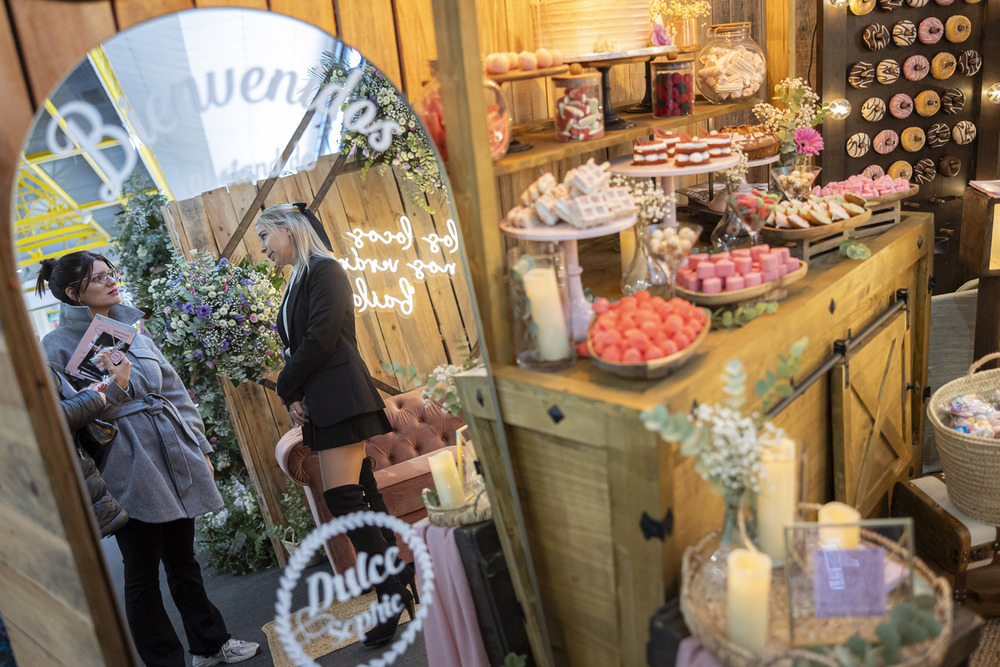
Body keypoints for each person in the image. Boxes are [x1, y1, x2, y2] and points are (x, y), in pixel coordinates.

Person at [36, 251, 259, 667]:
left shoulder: (130, 329)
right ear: (73, 292)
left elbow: (172, 389)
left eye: (111, 273)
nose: (111, 281)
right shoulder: (55, 347)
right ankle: (163, 662)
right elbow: (58, 418)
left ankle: (211, 644)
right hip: (123, 464)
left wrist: (200, 447)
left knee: (184, 560)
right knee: (141, 571)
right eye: (98, 277)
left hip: (171, 451)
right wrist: (109, 389)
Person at [256, 202, 415, 647]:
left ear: (289, 229)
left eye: (265, 237)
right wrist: (298, 395)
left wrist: (286, 388)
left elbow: (321, 339)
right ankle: (400, 574)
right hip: (326, 398)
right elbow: (302, 346)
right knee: (363, 493)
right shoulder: (301, 277)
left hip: (340, 394)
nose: (263, 248)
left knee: (342, 499)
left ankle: (391, 592)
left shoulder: (326, 270)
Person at [50, 362, 130, 537]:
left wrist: (83, 397)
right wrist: (91, 399)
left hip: (81, 476)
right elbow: (45, 418)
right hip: (62, 481)